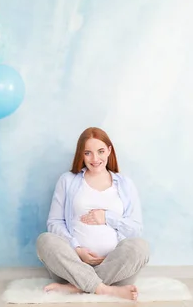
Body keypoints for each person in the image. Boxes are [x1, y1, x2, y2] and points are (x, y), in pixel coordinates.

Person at [36, 127, 150, 301]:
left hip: (114, 267)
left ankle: (77, 288)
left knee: (140, 246)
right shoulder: (67, 180)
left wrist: (107, 217)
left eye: (101, 151)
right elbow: (54, 223)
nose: (95, 159)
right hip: (73, 266)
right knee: (45, 240)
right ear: (81, 154)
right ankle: (102, 288)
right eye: (88, 153)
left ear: (109, 151)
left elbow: (135, 229)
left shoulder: (125, 184)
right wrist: (77, 249)